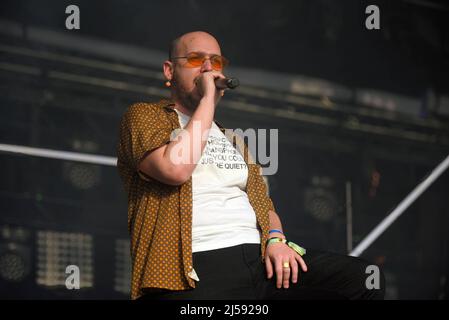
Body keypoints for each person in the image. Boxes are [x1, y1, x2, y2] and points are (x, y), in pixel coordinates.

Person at [116, 31, 385, 300]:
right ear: (169, 70)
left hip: (259, 261)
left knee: (363, 280)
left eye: (216, 62)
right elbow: (174, 170)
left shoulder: (233, 139)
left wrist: (276, 240)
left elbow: (263, 205)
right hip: (195, 266)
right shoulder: (144, 115)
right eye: (196, 59)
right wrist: (208, 98)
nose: (208, 68)